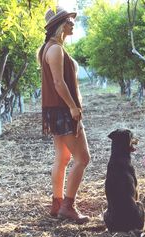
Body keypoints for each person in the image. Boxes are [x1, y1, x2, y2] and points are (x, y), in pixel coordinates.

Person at [37, 6, 90, 224]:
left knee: (63, 157)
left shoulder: (48, 48)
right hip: (63, 110)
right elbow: (59, 83)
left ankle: (57, 203)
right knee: (83, 158)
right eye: (69, 20)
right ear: (60, 25)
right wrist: (73, 107)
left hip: (55, 110)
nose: (73, 23)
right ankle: (68, 206)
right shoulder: (55, 49)